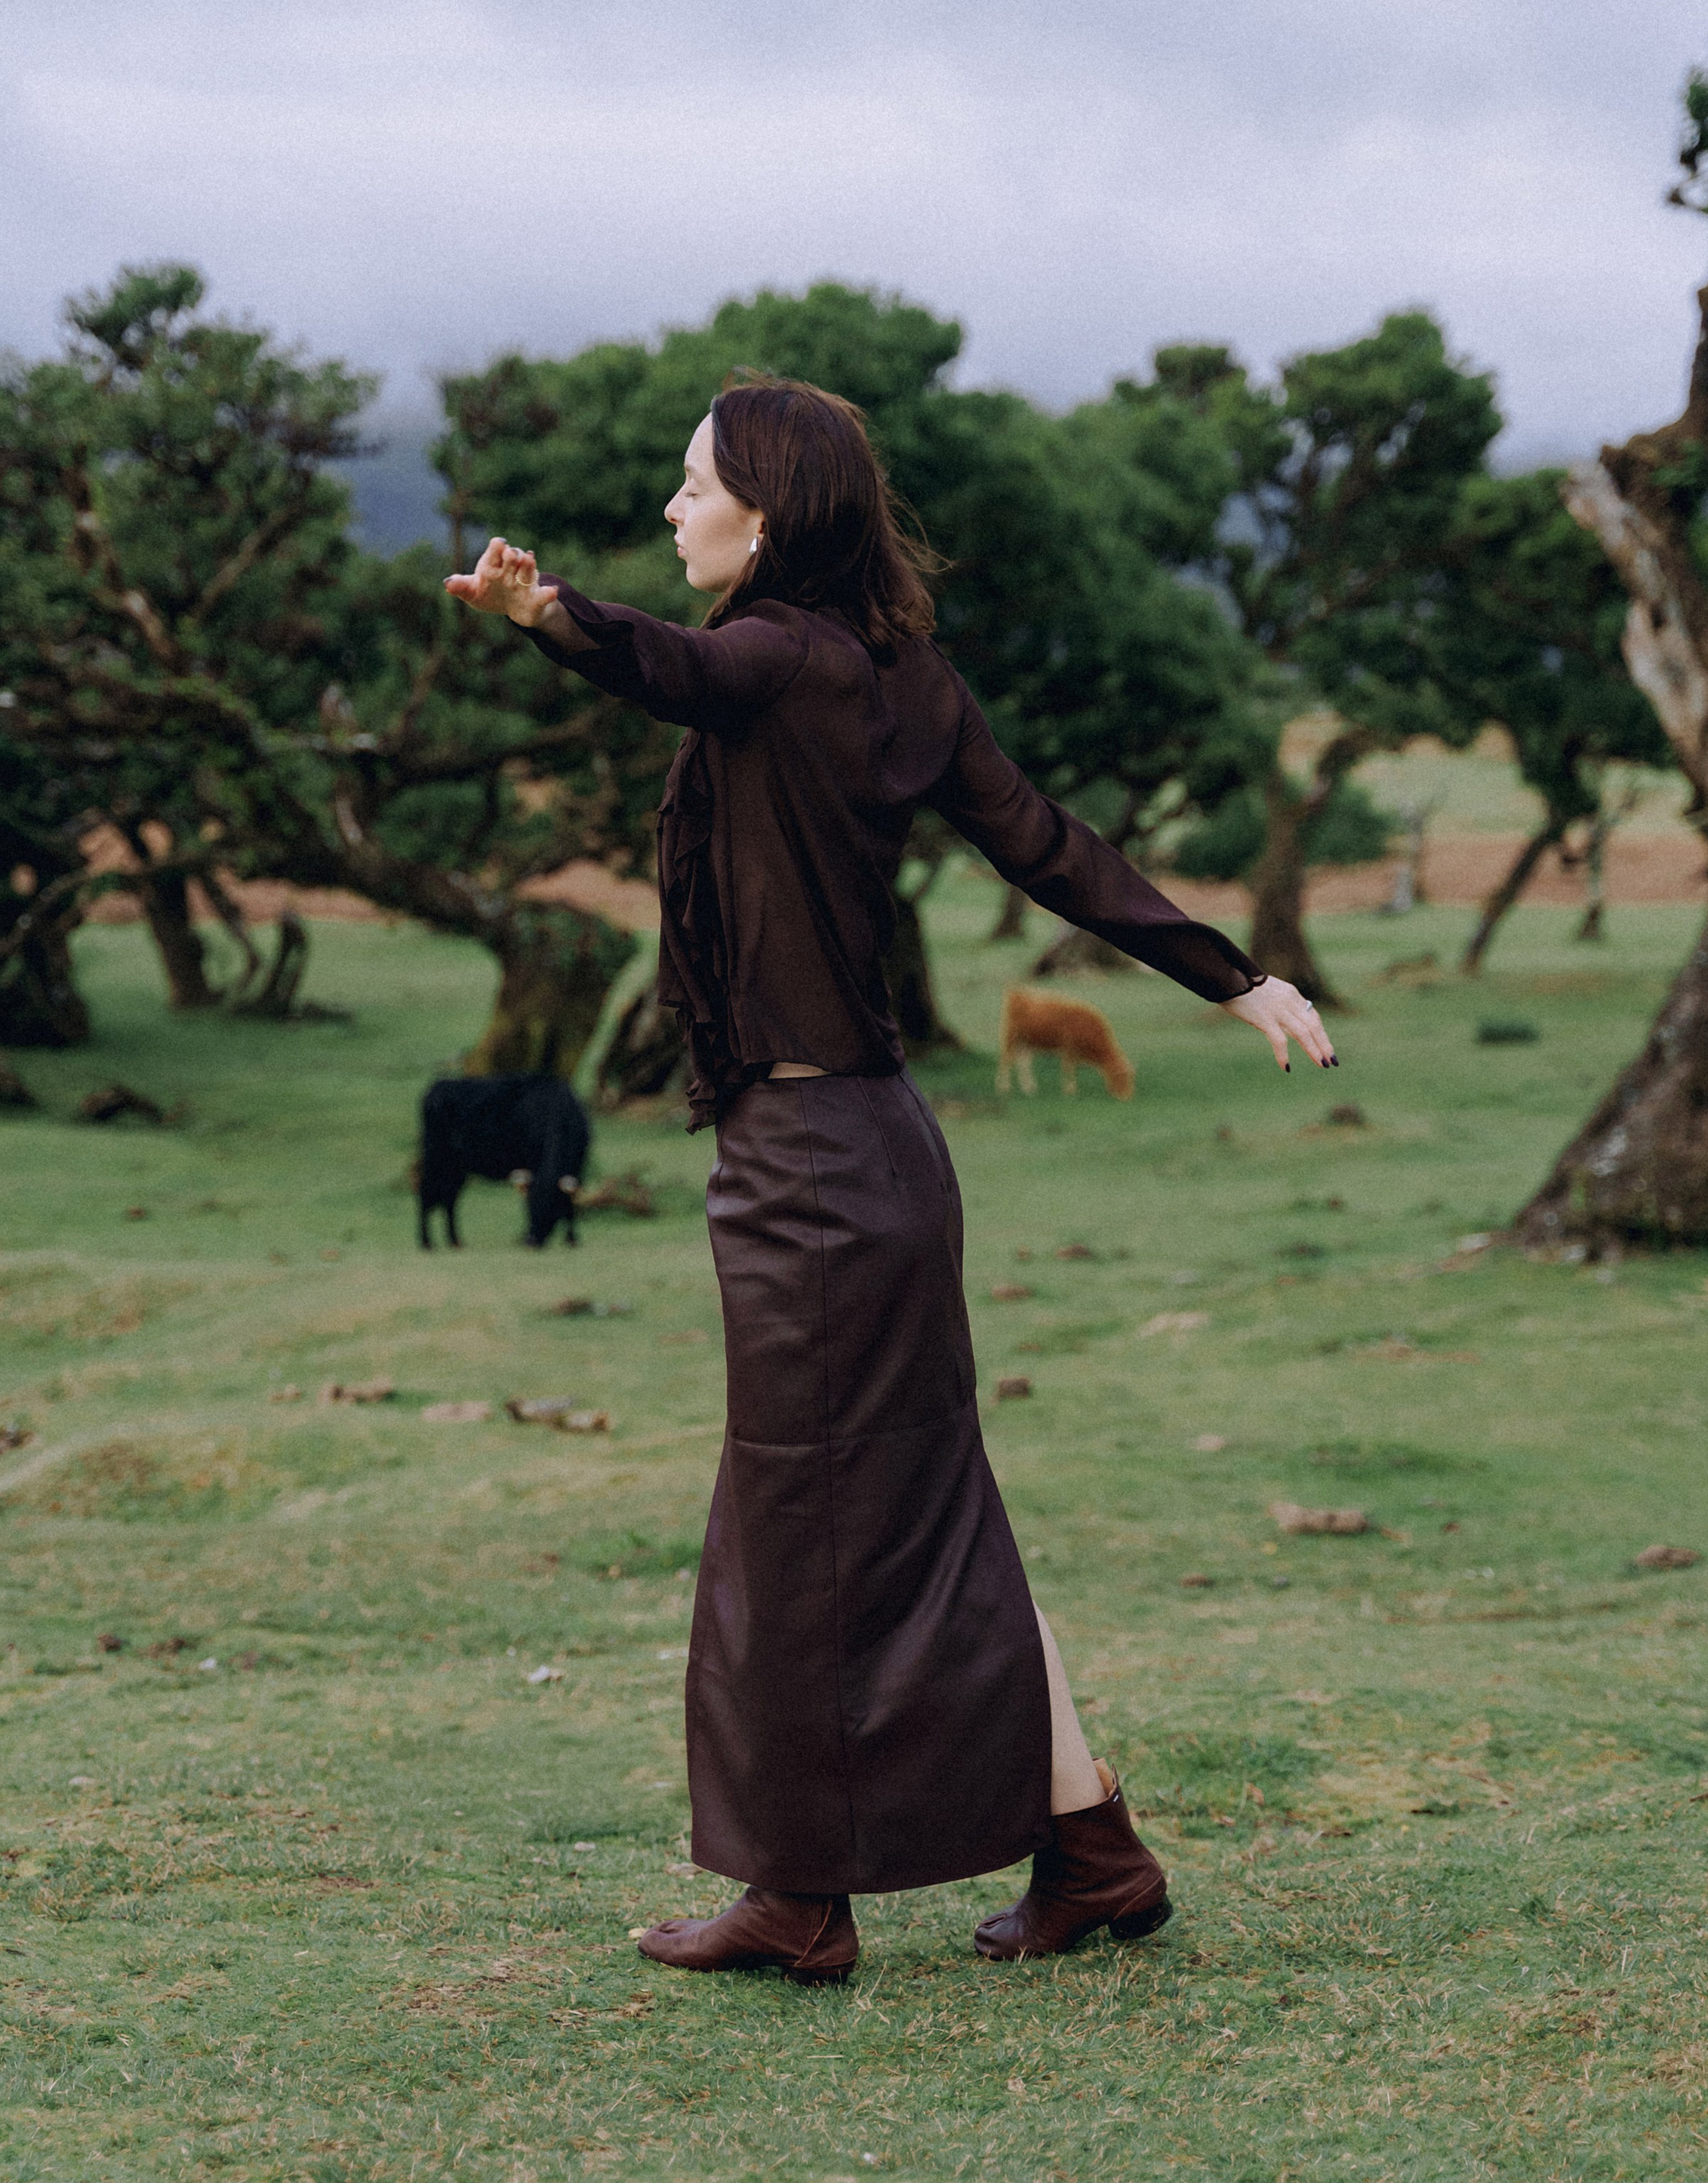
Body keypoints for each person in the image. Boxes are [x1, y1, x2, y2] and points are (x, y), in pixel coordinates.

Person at [446, 380, 1336, 1983]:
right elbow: (1048, 843)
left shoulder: (775, 658)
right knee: (928, 1515)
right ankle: (1093, 1851)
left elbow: (672, 665)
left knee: (799, 1526)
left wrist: (547, 613)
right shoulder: (895, 672)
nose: (673, 507)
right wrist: (1233, 975)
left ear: (769, 512)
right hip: (873, 1151)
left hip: (811, 1169)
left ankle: (799, 1896)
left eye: (694, 482)